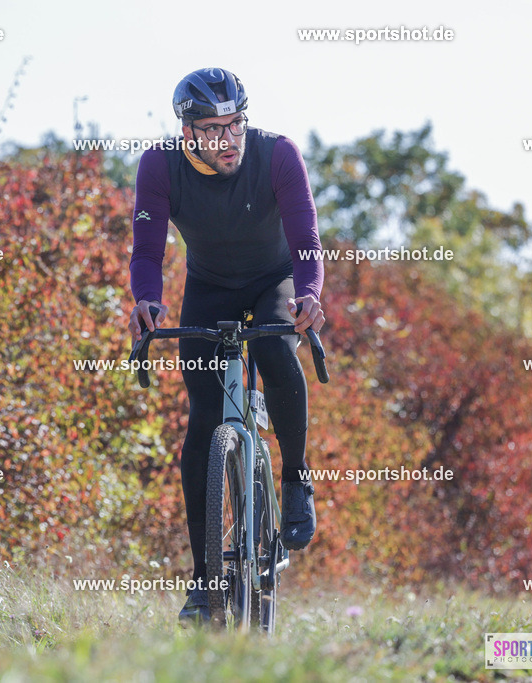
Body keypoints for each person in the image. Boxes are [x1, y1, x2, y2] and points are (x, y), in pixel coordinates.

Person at [127, 67, 325, 625]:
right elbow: (146, 250)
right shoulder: (159, 166)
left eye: (235, 125)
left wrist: (309, 295)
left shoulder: (278, 155)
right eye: (213, 129)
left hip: (274, 279)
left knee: (275, 349)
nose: (228, 140)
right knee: (202, 426)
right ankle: (205, 585)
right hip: (209, 287)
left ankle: (295, 479)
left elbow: (306, 240)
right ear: (187, 132)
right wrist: (146, 301)